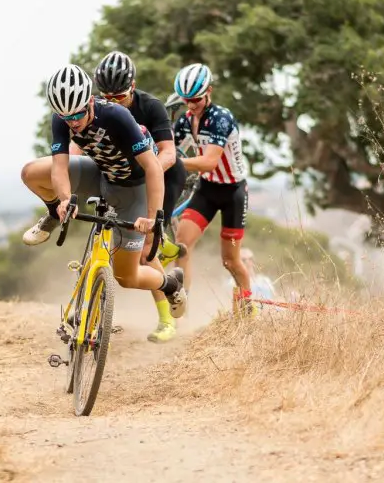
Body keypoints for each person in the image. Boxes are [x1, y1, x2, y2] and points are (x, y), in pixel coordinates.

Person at [21, 52, 188, 343]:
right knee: (31, 172)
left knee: (127, 277)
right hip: (100, 175)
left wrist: (153, 217)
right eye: (65, 117)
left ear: (89, 102)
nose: (72, 124)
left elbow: (153, 167)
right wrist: (63, 199)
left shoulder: (118, 117)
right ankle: (50, 213)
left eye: (77, 115)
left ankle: (170, 284)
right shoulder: (62, 117)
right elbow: (60, 166)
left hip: (133, 188)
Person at [170, 63, 256, 316]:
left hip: (233, 193)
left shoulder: (221, 118)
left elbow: (208, 162)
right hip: (207, 189)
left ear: (209, 91)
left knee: (230, 261)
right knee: (182, 245)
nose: (191, 105)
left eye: (195, 99)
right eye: (186, 100)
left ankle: (246, 307)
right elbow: (169, 151)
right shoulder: (186, 121)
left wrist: (172, 162)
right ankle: (182, 302)